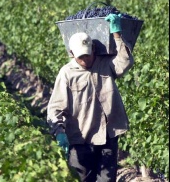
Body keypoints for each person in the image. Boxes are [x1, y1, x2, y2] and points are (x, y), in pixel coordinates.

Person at [47, 13, 134, 181]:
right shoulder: (67, 73)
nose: (85, 59)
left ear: (93, 49)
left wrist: (117, 34)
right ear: (71, 53)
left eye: (88, 54)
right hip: (81, 140)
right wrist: (59, 132)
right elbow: (55, 108)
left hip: (107, 136)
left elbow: (125, 62)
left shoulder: (105, 64)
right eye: (81, 57)